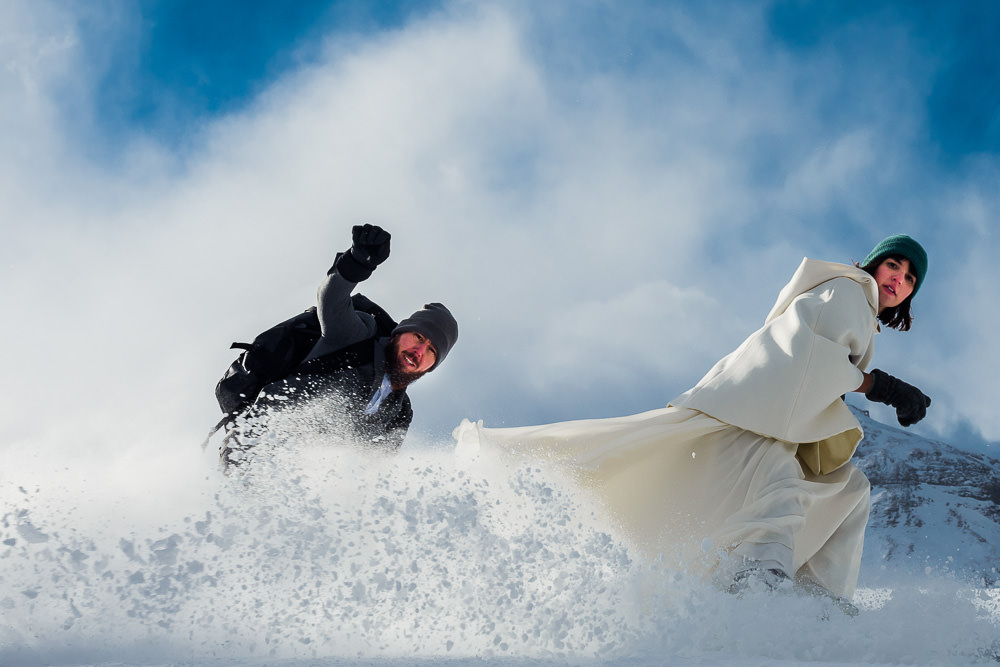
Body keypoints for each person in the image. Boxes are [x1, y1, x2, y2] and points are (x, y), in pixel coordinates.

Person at [454, 234, 930, 607]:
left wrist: (873, 384)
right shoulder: (849, 290)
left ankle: (814, 604)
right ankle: (763, 593)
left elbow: (813, 368)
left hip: (773, 415)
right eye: (894, 264)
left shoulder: (860, 310)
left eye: (910, 278)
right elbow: (806, 359)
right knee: (780, 490)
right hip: (760, 417)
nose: (898, 278)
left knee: (847, 493)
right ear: (873, 264)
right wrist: (880, 386)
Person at [221, 224, 458, 468]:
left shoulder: (399, 414)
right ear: (399, 333)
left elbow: (376, 471)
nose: (419, 351)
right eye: (418, 337)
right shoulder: (357, 337)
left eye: (431, 351)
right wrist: (358, 262)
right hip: (253, 448)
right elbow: (332, 299)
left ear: (431, 366)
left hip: (305, 479)